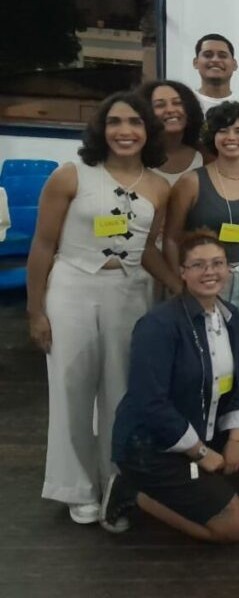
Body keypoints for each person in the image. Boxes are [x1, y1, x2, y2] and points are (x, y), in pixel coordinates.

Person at [25, 91, 176, 525]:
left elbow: (149, 250)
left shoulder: (158, 186)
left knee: (121, 391)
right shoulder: (71, 175)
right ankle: (76, 487)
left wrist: (178, 286)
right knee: (71, 389)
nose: (124, 131)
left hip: (130, 293)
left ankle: (116, 482)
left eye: (134, 123)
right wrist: (36, 311)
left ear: (148, 131)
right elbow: (43, 244)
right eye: (115, 122)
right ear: (101, 129)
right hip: (72, 286)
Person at [102, 231, 239, 540]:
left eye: (217, 263)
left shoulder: (231, 317)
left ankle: (203, 484)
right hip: (153, 442)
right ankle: (132, 493)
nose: (209, 272)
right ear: (182, 272)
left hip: (205, 420)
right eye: (198, 265)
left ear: (227, 268)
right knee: (233, 528)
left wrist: (235, 439)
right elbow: (150, 403)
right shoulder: (158, 325)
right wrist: (200, 452)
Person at [164, 101, 239, 383]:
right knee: (204, 360)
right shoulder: (191, 182)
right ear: (212, 137)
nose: (232, 138)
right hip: (204, 279)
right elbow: (172, 238)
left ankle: (237, 421)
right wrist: (179, 282)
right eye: (223, 130)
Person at [137, 80, 206, 186]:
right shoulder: (134, 156)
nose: (170, 110)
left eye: (177, 103)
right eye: (160, 105)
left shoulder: (207, 156)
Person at [193, 34, 238, 114]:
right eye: (208, 55)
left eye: (222, 56)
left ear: (234, 64)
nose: (215, 60)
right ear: (195, 63)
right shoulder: (185, 103)